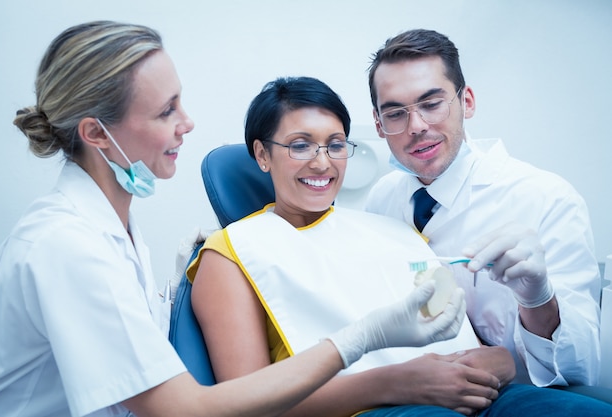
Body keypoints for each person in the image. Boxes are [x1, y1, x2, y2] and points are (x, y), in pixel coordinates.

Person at [0, 22, 467, 417]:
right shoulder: (65, 245)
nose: (187, 122)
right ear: (96, 133)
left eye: (335, 143)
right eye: (165, 110)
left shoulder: (113, 231)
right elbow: (184, 409)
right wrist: (364, 341)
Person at [189, 76, 610, 417]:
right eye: (300, 145)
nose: (322, 162)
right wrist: (397, 383)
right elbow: (241, 406)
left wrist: (499, 361)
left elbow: (464, 340)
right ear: (262, 155)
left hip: (481, 398)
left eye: (336, 144)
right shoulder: (230, 252)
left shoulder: (392, 228)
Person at [366, 27, 606, 401]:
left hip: (516, 401)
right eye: (396, 113)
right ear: (379, 125)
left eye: (432, 103)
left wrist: (538, 299)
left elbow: (583, 370)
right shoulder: (381, 200)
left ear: (468, 102)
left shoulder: (546, 198)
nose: (417, 127)